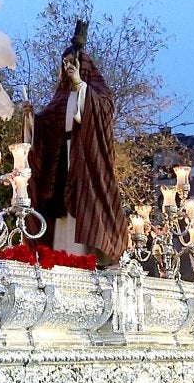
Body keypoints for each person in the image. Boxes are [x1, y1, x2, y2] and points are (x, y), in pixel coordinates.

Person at [27, 21, 125, 263]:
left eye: (72, 64)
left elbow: (102, 112)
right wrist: (31, 119)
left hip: (86, 161)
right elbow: (46, 127)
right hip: (61, 162)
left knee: (85, 206)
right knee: (61, 212)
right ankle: (60, 257)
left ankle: (85, 258)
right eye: (64, 65)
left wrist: (80, 84)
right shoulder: (60, 98)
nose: (67, 68)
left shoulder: (94, 93)